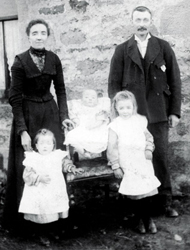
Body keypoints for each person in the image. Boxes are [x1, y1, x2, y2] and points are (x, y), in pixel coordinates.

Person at [108, 6, 181, 217]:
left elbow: (175, 80)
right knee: (132, 159)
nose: (142, 23)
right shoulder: (122, 50)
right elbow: (113, 85)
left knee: (159, 156)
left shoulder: (163, 47)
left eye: (145, 19)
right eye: (138, 19)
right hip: (131, 116)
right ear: (132, 22)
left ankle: (165, 201)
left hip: (158, 112)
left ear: (150, 22)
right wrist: (117, 115)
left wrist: (174, 111)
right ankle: (136, 204)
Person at [3, 19, 74, 232]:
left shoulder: (54, 59)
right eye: (35, 33)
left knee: (53, 160)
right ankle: (32, 222)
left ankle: (57, 216)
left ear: (48, 35)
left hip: (50, 113)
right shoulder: (19, 62)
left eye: (43, 32)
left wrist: (64, 116)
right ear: (28, 36)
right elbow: (14, 97)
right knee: (30, 163)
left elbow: (60, 90)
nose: (39, 36)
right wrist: (22, 131)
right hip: (28, 114)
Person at [107, 90, 161, 234]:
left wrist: (149, 149)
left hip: (142, 160)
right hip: (128, 162)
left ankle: (148, 219)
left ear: (133, 106)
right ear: (116, 108)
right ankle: (138, 220)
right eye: (121, 108)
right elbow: (111, 147)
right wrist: (116, 165)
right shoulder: (115, 125)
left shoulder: (140, 120)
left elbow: (149, 138)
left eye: (128, 107)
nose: (125, 111)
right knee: (136, 192)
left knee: (147, 191)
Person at [18, 128, 83, 245]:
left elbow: (65, 164)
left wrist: (72, 168)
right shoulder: (32, 158)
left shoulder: (57, 155)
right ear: (36, 145)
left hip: (55, 190)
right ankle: (41, 233)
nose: (45, 146)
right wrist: (39, 178)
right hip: (39, 191)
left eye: (49, 143)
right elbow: (27, 175)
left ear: (53, 145)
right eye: (41, 143)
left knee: (54, 209)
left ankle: (52, 230)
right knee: (42, 212)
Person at [64, 89, 110, 159]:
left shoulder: (99, 109)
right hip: (82, 129)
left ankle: (93, 151)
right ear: (81, 99)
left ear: (97, 100)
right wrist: (76, 121)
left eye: (93, 97)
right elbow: (73, 115)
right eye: (86, 97)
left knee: (101, 139)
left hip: (96, 130)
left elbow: (101, 120)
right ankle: (84, 152)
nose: (90, 99)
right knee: (71, 137)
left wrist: (93, 125)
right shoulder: (79, 108)